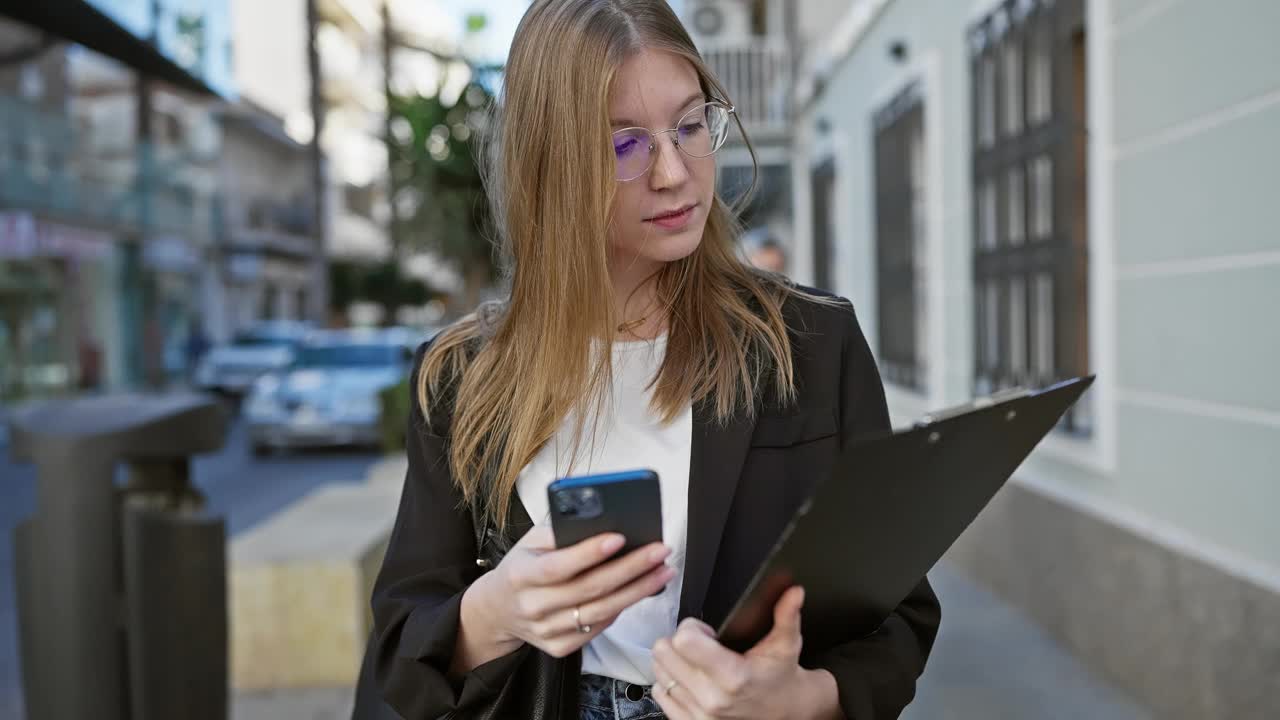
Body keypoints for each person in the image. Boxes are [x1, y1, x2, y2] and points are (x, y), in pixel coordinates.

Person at [369, 1, 940, 719]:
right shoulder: (463, 377)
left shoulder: (811, 343)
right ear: (550, 163)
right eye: (624, 145)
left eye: (691, 125)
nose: (674, 172)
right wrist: (493, 614)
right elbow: (401, 652)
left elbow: (899, 615)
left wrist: (801, 700)